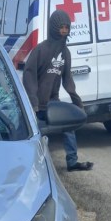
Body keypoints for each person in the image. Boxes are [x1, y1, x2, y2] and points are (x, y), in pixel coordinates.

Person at [22, 9, 93, 172]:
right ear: (54, 27)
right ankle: (33, 165)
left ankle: (72, 162)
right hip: (37, 104)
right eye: (61, 27)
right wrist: (33, 100)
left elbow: (68, 79)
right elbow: (29, 75)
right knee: (36, 135)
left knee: (69, 127)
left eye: (67, 28)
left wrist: (77, 103)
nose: (64, 31)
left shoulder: (65, 53)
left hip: (53, 102)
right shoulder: (40, 50)